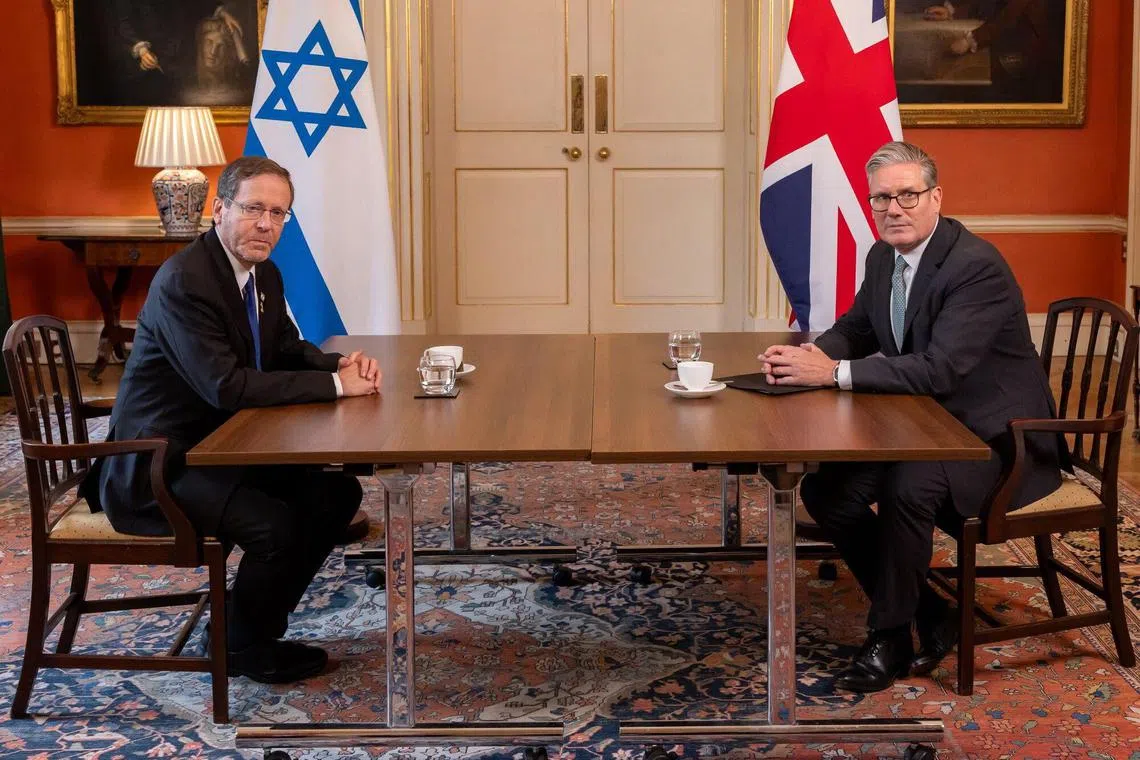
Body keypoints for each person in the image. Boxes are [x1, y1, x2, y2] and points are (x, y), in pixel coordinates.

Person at [759, 141, 1064, 693]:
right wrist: (811, 358)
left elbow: (940, 371)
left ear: (936, 197)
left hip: (999, 441)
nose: (893, 209)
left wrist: (831, 377)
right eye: (881, 199)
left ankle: (890, 634)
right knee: (829, 491)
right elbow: (856, 329)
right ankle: (932, 610)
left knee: (908, 484)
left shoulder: (975, 268)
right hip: (929, 425)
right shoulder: (885, 256)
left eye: (907, 195)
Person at [81, 156, 383, 685]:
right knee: (276, 527)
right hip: (160, 466)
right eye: (254, 209)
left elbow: (283, 347)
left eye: (279, 214)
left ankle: (244, 623)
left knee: (336, 496)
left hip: (222, 446)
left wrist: (337, 363)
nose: (267, 224)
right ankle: (243, 646)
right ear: (219, 208)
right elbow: (225, 386)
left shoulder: (261, 271)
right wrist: (336, 387)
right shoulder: (185, 281)